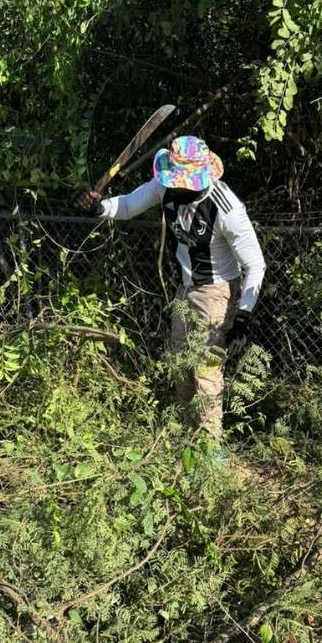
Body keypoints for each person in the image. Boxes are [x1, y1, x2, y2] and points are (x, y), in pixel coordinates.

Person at [77, 135, 266, 437]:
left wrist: (243, 317)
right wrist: (99, 208)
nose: (177, 186)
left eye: (184, 182)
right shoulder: (165, 185)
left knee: (206, 372)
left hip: (218, 294)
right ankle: (185, 438)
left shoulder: (226, 208)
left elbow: (255, 264)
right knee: (180, 366)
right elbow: (129, 205)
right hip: (185, 290)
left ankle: (210, 449)